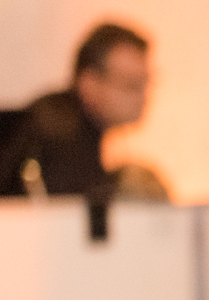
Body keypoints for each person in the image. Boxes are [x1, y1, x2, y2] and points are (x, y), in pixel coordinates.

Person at [0, 22, 152, 200]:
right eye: (131, 84)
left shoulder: (56, 118)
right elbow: (67, 220)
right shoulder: (61, 138)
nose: (143, 97)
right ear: (89, 83)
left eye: (146, 83)